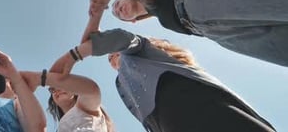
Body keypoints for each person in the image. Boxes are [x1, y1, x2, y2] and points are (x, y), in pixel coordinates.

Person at [50, 28, 277, 132]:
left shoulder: (140, 51)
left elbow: (123, 39)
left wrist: (76, 54)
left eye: (113, 54)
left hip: (194, 105)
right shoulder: (121, 84)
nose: (111, 58)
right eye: (110, 58)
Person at [84, 0, 288, 67]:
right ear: (134, 21)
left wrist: (96, 14)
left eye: (117, 4)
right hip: (215, 33)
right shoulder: (162, 20)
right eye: (119, 15)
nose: (118, 10)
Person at [17, 70, 115, 131]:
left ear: (74, 91)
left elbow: (93, 90)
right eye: (52, 89)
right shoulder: (61, 127)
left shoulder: (86, 107)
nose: (57, 90)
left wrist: (40, 78)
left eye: (60, 86)